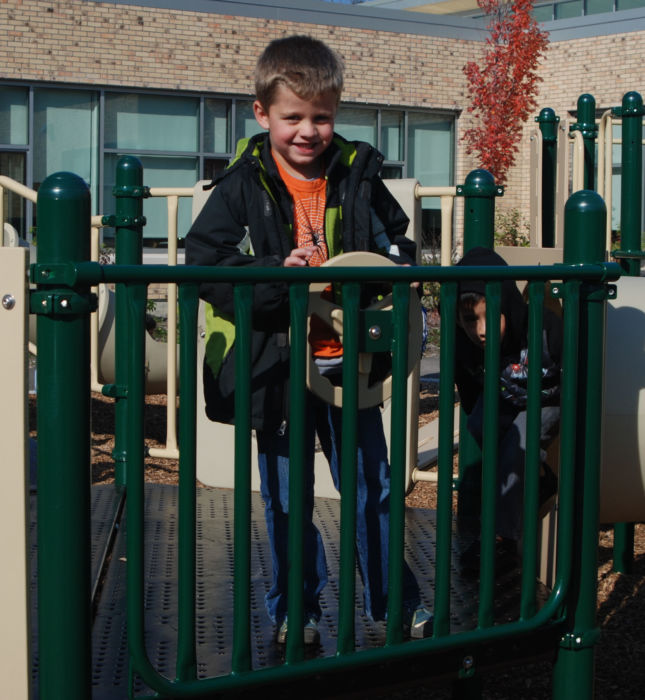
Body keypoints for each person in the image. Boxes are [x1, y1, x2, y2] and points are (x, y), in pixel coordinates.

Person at [186, 35, 431, 644]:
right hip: (282, 365)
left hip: (350, 363)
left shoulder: (356, 172)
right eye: (292, 116)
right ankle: (297, 607)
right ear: (261, 113)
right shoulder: (244, 181)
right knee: (288, 500)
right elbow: (205, 259)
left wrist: (393, 268)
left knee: (372, 486)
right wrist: (274, 276)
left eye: (321, 116)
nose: (308, 131)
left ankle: (393, 602)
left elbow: (397, 242)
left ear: (336, 112)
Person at [453, 246, 561, 577]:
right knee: (479, 423)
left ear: (509, 305)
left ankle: (501, 540)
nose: (481, 331)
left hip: (548, 399)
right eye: (471, 320)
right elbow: (470, 389)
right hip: (507, 398)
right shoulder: (466, 347)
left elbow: (578, 363)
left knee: (518, 448)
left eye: (490, 315)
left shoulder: (543, 327)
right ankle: (537, 481)